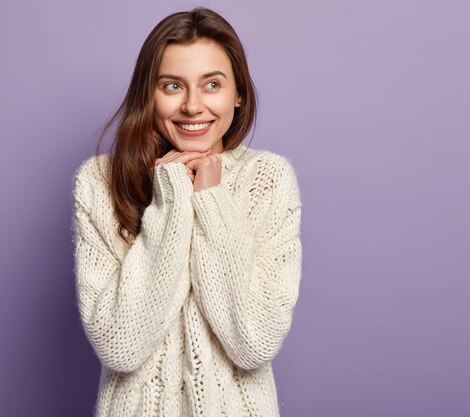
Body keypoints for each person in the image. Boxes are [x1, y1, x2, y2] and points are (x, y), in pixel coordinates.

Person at [71, 7, 302, 417]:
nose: (193, 106)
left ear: (239, 94)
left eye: (212, 84)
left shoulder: (268, 179)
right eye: (173, 85)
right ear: (149, 93)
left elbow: (254, 343)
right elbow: (121, 346)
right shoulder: (99, 182)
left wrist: (212, 200)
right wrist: (173, 200)